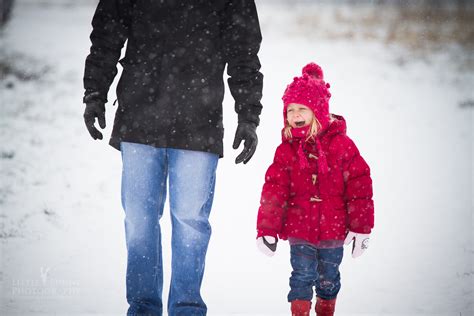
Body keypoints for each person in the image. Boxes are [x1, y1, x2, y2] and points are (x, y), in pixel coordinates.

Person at [82, 1, 263, 315]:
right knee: (139, 222)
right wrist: (95, 92)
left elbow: (243, 49)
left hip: (199, 120)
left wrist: (248, 115)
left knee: (191, 222)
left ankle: (187, 309)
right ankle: (142, 307)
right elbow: (107, 32)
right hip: (139, 116)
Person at [255, 63, 374, 316]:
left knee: (328, 279)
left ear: (318, 111)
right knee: (301, 277)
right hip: (300, 230)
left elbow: (360, 186)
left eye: (302, 109)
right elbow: (274, 192)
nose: (295, 114)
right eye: (290, 110)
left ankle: (325, 308)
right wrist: (267, 229)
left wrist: (361, 228)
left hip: (333, 230)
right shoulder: (286, 150)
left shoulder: (341, 145)